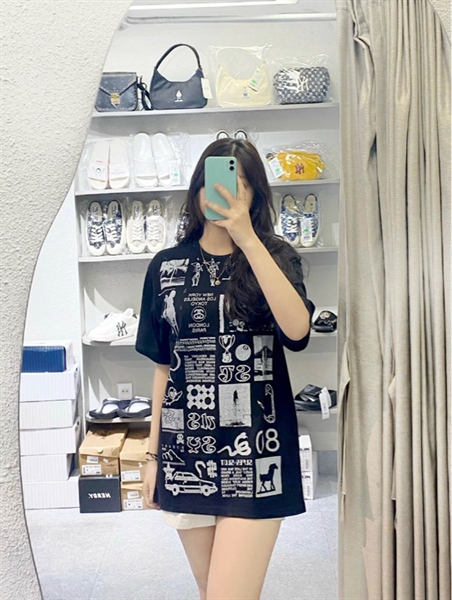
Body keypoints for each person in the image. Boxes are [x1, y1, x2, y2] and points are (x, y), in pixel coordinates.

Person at [136, 138, 315, 600]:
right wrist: (152, 457)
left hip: (255, 452)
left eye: (239, 185)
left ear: (255, 195)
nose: (223, 194)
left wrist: (248, 240)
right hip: (185, 451)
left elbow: (297, 332)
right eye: (213, 183)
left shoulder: (275, 255)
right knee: (209, 590)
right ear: (197, 190)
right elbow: (163, 367)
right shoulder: (166, 266)